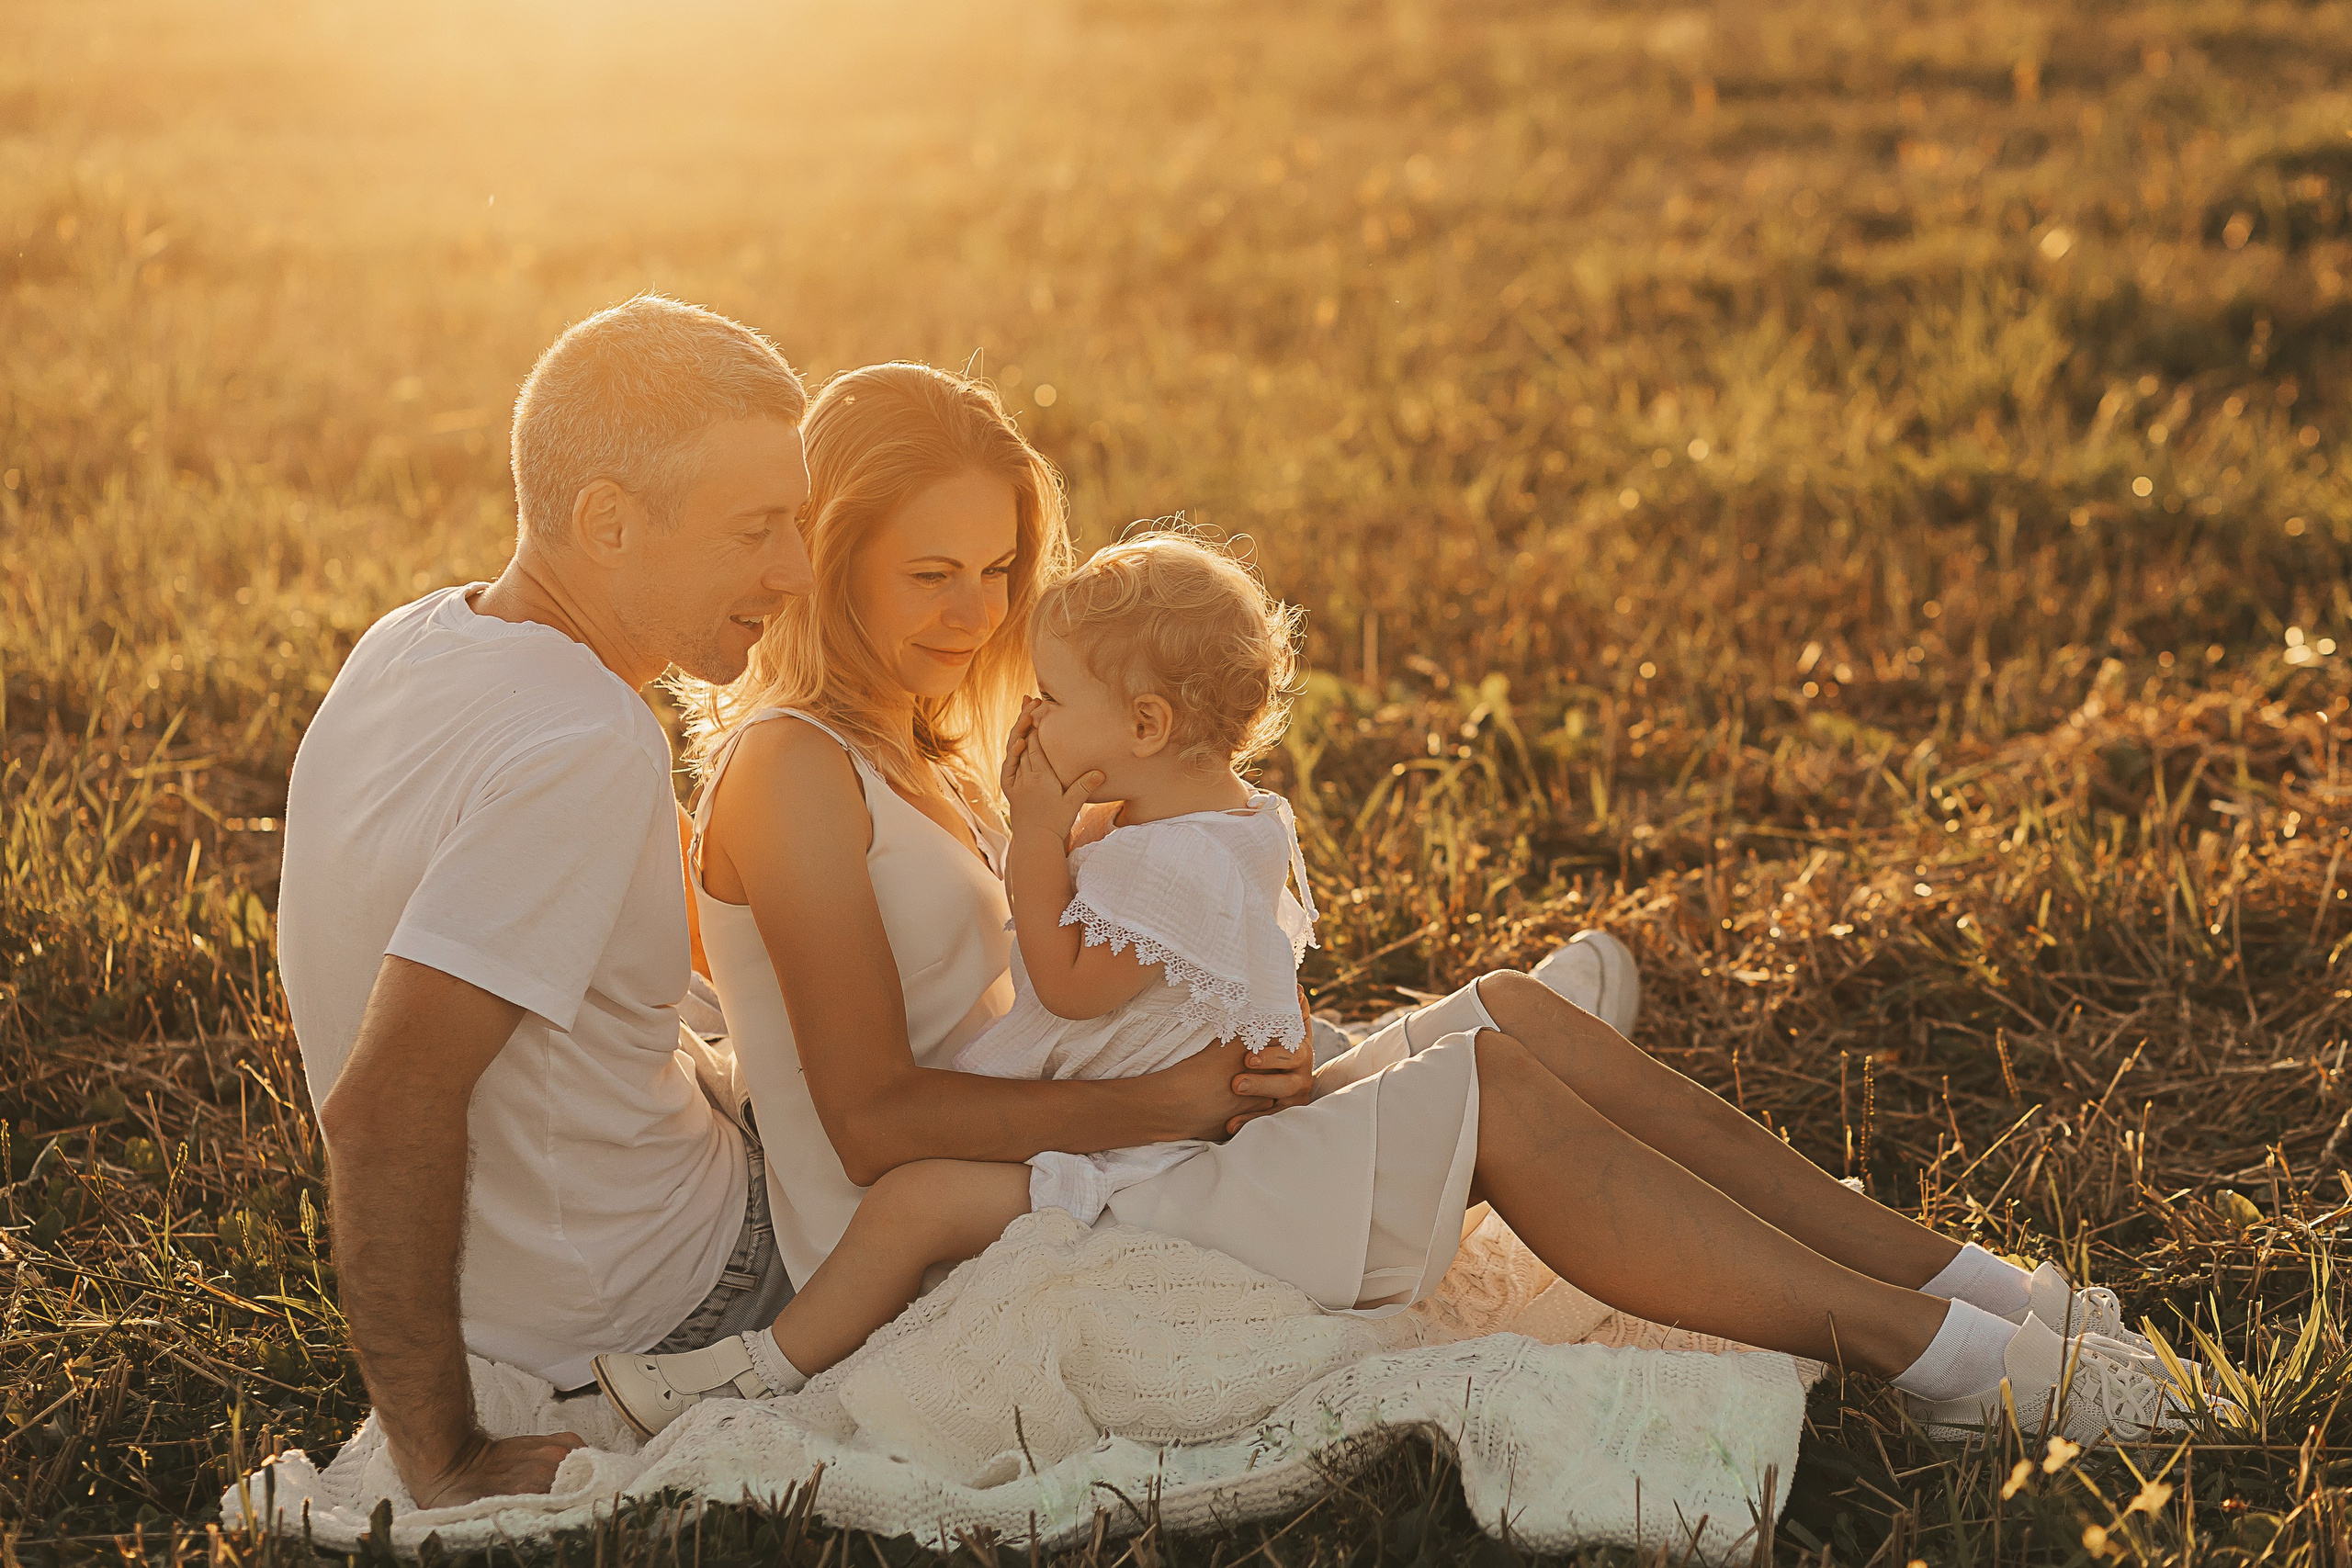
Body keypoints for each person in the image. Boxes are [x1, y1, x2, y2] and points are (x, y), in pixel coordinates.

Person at [605, 358, 2226, 1450]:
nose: (977, 617)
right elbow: (878, 1119)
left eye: (1000, 573)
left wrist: (1202, 1038)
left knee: (1515, 1008)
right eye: (926, 576)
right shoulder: (794, 772)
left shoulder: (938, 741)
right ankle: (1936, 1359)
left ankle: (1962, 1282)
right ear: (829, 570)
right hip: (954, 1226)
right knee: (1493, 1087)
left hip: (1074, 1126)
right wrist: (1180, 1091)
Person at [277, 300, 1309, 1512]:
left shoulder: (416, 645)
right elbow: (387, 1102)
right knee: (1253, 1194)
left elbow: (640, 931)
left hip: (579, 1240)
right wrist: (442, 1451)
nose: (789, 567)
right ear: (607, 521)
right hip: (682, 1283)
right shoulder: (588, 740)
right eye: (760, 528)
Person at [594, 534, 1322, 1429]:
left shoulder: (1164, 859)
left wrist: (1037, 839)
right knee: (918, 1198)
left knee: (915, 1203)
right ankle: (758, 1367)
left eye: (1050, 698)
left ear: (1144, 727)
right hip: (1123, 1122)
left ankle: (758, 1374)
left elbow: (1065, 984)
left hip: (1131, 1158)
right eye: (934, 566)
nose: (1027, 709)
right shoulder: (1234, 821)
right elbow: (1255, 955)